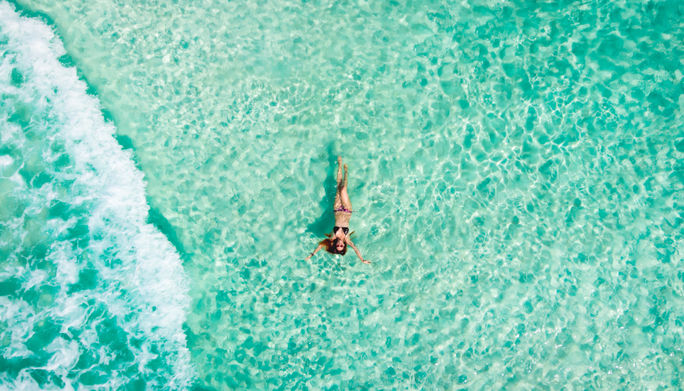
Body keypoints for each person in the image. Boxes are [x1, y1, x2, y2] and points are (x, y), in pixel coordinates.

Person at [305, 157, 370, 264]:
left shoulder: (332, 237)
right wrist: (362, 260)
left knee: (338, 185)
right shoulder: (347, 239)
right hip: (347, 210)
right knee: (343, 189)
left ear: (335, 244)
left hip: (337, 208)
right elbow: (355, 249)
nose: (340, 244)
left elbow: (321, 245)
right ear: (344, 245)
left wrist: (312, 254)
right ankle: (346, 171)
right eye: (342, 246)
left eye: (338, 245)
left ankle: (340, 165)